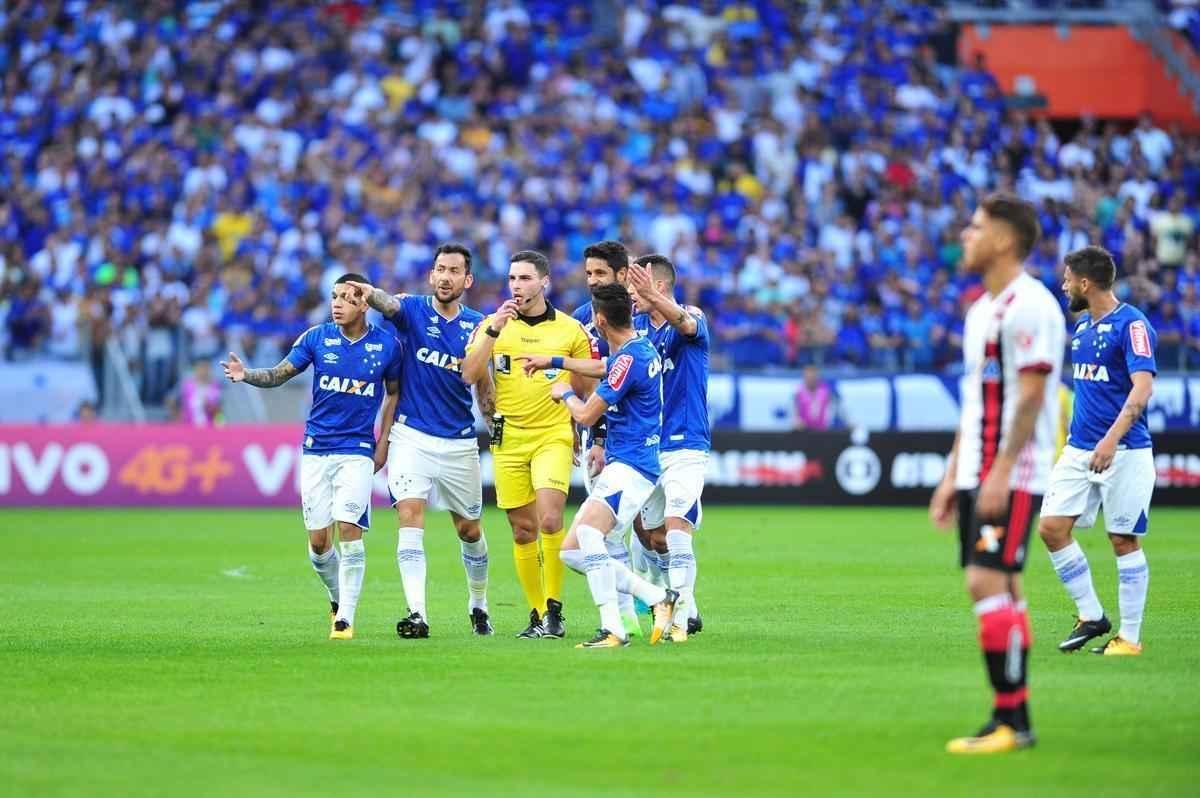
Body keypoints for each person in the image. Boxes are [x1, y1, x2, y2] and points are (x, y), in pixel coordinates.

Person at [928, 194, 1065, 754]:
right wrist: (951, 475)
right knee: (1003, 584)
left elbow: (1032, 397)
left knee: (985, 581)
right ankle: (1014, 718)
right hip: (980, 469)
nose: (966, 234)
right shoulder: (981, 310)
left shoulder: (1030, 306)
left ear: (1006, 240)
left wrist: (1001, 471)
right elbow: (976, 403)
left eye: (977, 227)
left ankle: (1011, 721)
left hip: (1010, 470)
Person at [221, 274, 401, 641]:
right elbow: (279, 374)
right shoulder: (316, 338)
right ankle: (337, 599)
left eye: (347, 298)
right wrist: (247, 374)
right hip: (317, 449)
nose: (337, 303)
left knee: (350, 529)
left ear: (364, 303)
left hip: (357, 450)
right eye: (334, 296)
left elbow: (394, 394)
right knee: (320, 545)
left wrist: (384, 442)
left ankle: (346, 619)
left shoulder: (387, 345)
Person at [349, 243, 496, 638]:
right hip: (411, 436)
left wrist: (494, 426)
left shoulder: (480, 326)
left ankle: (478, 604)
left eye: (454, 271)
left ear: (468, 280)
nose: (445, 277)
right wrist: (367, 291)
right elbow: (387, 305)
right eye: (440, 270)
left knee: (469, 531)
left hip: (459, 441)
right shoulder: (412, 310)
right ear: (431, 275)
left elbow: (484, 385)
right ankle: (417, 613)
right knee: (409, 517)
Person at [461, 250, 598, 639]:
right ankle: (537, 615)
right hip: (508, 438)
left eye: (524, 278)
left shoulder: (571, 330)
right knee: (523, 531)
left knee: (551, 519)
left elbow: (588, 385)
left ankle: (555, 609)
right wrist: (492, 330)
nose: (516, 286)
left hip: (552, 434)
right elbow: (469, 375)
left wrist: (572, 406)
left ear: (544, 282)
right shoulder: (492, 325)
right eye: (511, 279)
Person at [1038, 245, 1157, 657]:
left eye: (1069, 278)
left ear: (1086, 283)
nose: (1064, 284)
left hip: (1125, 450)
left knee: (1122, 539)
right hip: (1079, 451)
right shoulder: (1083, 328)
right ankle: (1091, 615)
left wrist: (1111, 438)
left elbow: (1143, 387)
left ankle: (1130, 638)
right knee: (1051, 528)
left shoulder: (1132, 325)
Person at [549, 282, 677, 648]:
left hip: (631, 465)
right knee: (573, 551)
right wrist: (554, 361)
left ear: (600, 321)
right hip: (636, 464)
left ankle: (613, 630)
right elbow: (604, 366)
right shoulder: (640, 349)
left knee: (590, 535)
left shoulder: (628, 359)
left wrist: (566, 393)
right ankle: (656, 597)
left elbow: (588, 415)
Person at [627, 254, 711, 642]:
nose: (631, 296)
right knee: (650, 536)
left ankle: (678, 619)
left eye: (636, 288)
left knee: (677, 529)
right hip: (647, 446)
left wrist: (656, 300)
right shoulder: (636, 329)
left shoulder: (690, 316)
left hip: (685, 444)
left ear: (657, 285)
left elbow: (686, 324)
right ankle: (688, 609)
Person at [179, 359, 223, 426]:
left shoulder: (216, 386)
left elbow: (219, 412)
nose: (203, 371)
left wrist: (208, 406)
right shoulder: (187, 386)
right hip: (189, 426)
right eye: (200, 368)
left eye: (206, 368)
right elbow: (179, 405)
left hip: (209, 427)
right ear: (195, 370)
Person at [794, 365, 833, 431]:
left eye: (813, 377)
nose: (811, 379)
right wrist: (797, 421)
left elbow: (832, 410)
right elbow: (795, 410)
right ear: (804, 378)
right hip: (804, 429)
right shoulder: (799, 392)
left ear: (818, 378)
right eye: (808, 377)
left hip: (823, 430)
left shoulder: (826, 392)